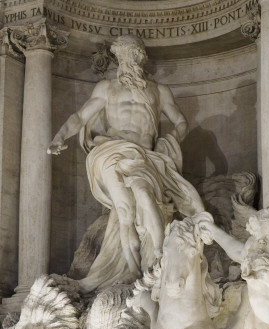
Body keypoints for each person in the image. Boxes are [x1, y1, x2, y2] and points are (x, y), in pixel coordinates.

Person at [47, 35, 204, 293]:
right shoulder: (106, 88)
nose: (128, 60)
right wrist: (60, 136)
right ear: (118, 58)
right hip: (111, 151)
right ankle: (133, 268)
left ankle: (161, 256)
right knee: (124, 210)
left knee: (143, 194)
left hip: (144, 156)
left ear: (141, 57)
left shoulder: (159, 90)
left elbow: (181, 122)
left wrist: (171, 139)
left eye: (132, 54)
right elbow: (79, 116)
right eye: (123, 56)